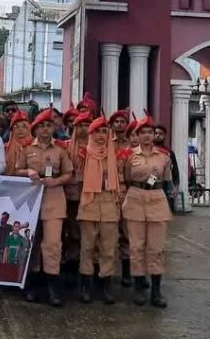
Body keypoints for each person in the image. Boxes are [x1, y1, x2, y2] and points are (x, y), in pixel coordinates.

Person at [15, 108, 73, 307]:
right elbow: (16, 170)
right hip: (31, 199)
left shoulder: (60, 149)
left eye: (49, 125)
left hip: (53, 197)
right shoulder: (26, 148)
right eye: (42, 126)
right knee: (31, 242)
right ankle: (31, 283)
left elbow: (68, 173)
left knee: (53, 243)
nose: (46, 129)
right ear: (35, 129)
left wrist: (56, 181)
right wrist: (28, 171)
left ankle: (53, 286)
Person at [121, 114, 172, 308]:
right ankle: (138, 287)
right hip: (135, 198)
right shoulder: (129, 156)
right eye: (143, 132)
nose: (147, 136)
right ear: (137, 135)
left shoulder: (164, 157)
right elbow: (126, 178)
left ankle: (156, 291)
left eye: (150, 132)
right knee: (136, 246)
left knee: (156, 248)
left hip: (157, 198)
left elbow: (166, 179)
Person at [77, 114, 120, 304]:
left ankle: (105, 285)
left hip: (109, 200)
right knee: (87, 246)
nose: (101, 135)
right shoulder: (82, 153)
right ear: (91, 133)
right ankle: (86, 285)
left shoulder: (115, 153)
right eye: (97, 132)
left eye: (104, 131)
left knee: (108, 248)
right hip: (89, 201)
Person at [108, 109, 135, 287]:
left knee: (126, 232)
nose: (119, 125)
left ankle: (127, 272)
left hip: (127, 191)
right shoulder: (106, 144)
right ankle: (107, 273)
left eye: (122, 122)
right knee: (109, 233)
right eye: (116, 122)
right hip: (109, 191)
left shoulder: (131, 146)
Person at [62, 111, 90, 274]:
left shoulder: (97, 148)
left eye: (87, 125)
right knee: (72, 230)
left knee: (87, 232)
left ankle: (86, 266)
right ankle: (71, 264)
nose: (84, 129)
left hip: (90, 195)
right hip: (70, 195)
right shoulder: (65, 146)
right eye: (80, 125)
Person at [154, 124, 180, 212]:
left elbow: (175, 170)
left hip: (165, 183)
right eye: (156, 133)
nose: (158, 135)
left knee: (166, 210)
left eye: (160, 134)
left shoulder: (169, 152)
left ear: (164, 136)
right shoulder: (148, 150)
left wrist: (176, 186)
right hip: (151, 182)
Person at [3, 110, 32, 176]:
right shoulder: (4, 148)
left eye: (24, 126)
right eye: (16, 127)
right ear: (12, 130)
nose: (20, 129)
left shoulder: (36, 146)